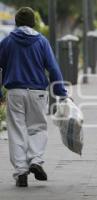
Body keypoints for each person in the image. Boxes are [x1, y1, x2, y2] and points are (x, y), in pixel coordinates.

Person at [0, 7, 67, 187]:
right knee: (37, 128)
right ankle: (36, 160)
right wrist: (61, 93)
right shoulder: (42, 41)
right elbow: (53, 68)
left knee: (16, 131)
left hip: (15, 92)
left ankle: (21, 171)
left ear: (16, 22)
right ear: (33, 23)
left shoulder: (7, 42)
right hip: (38, 92)